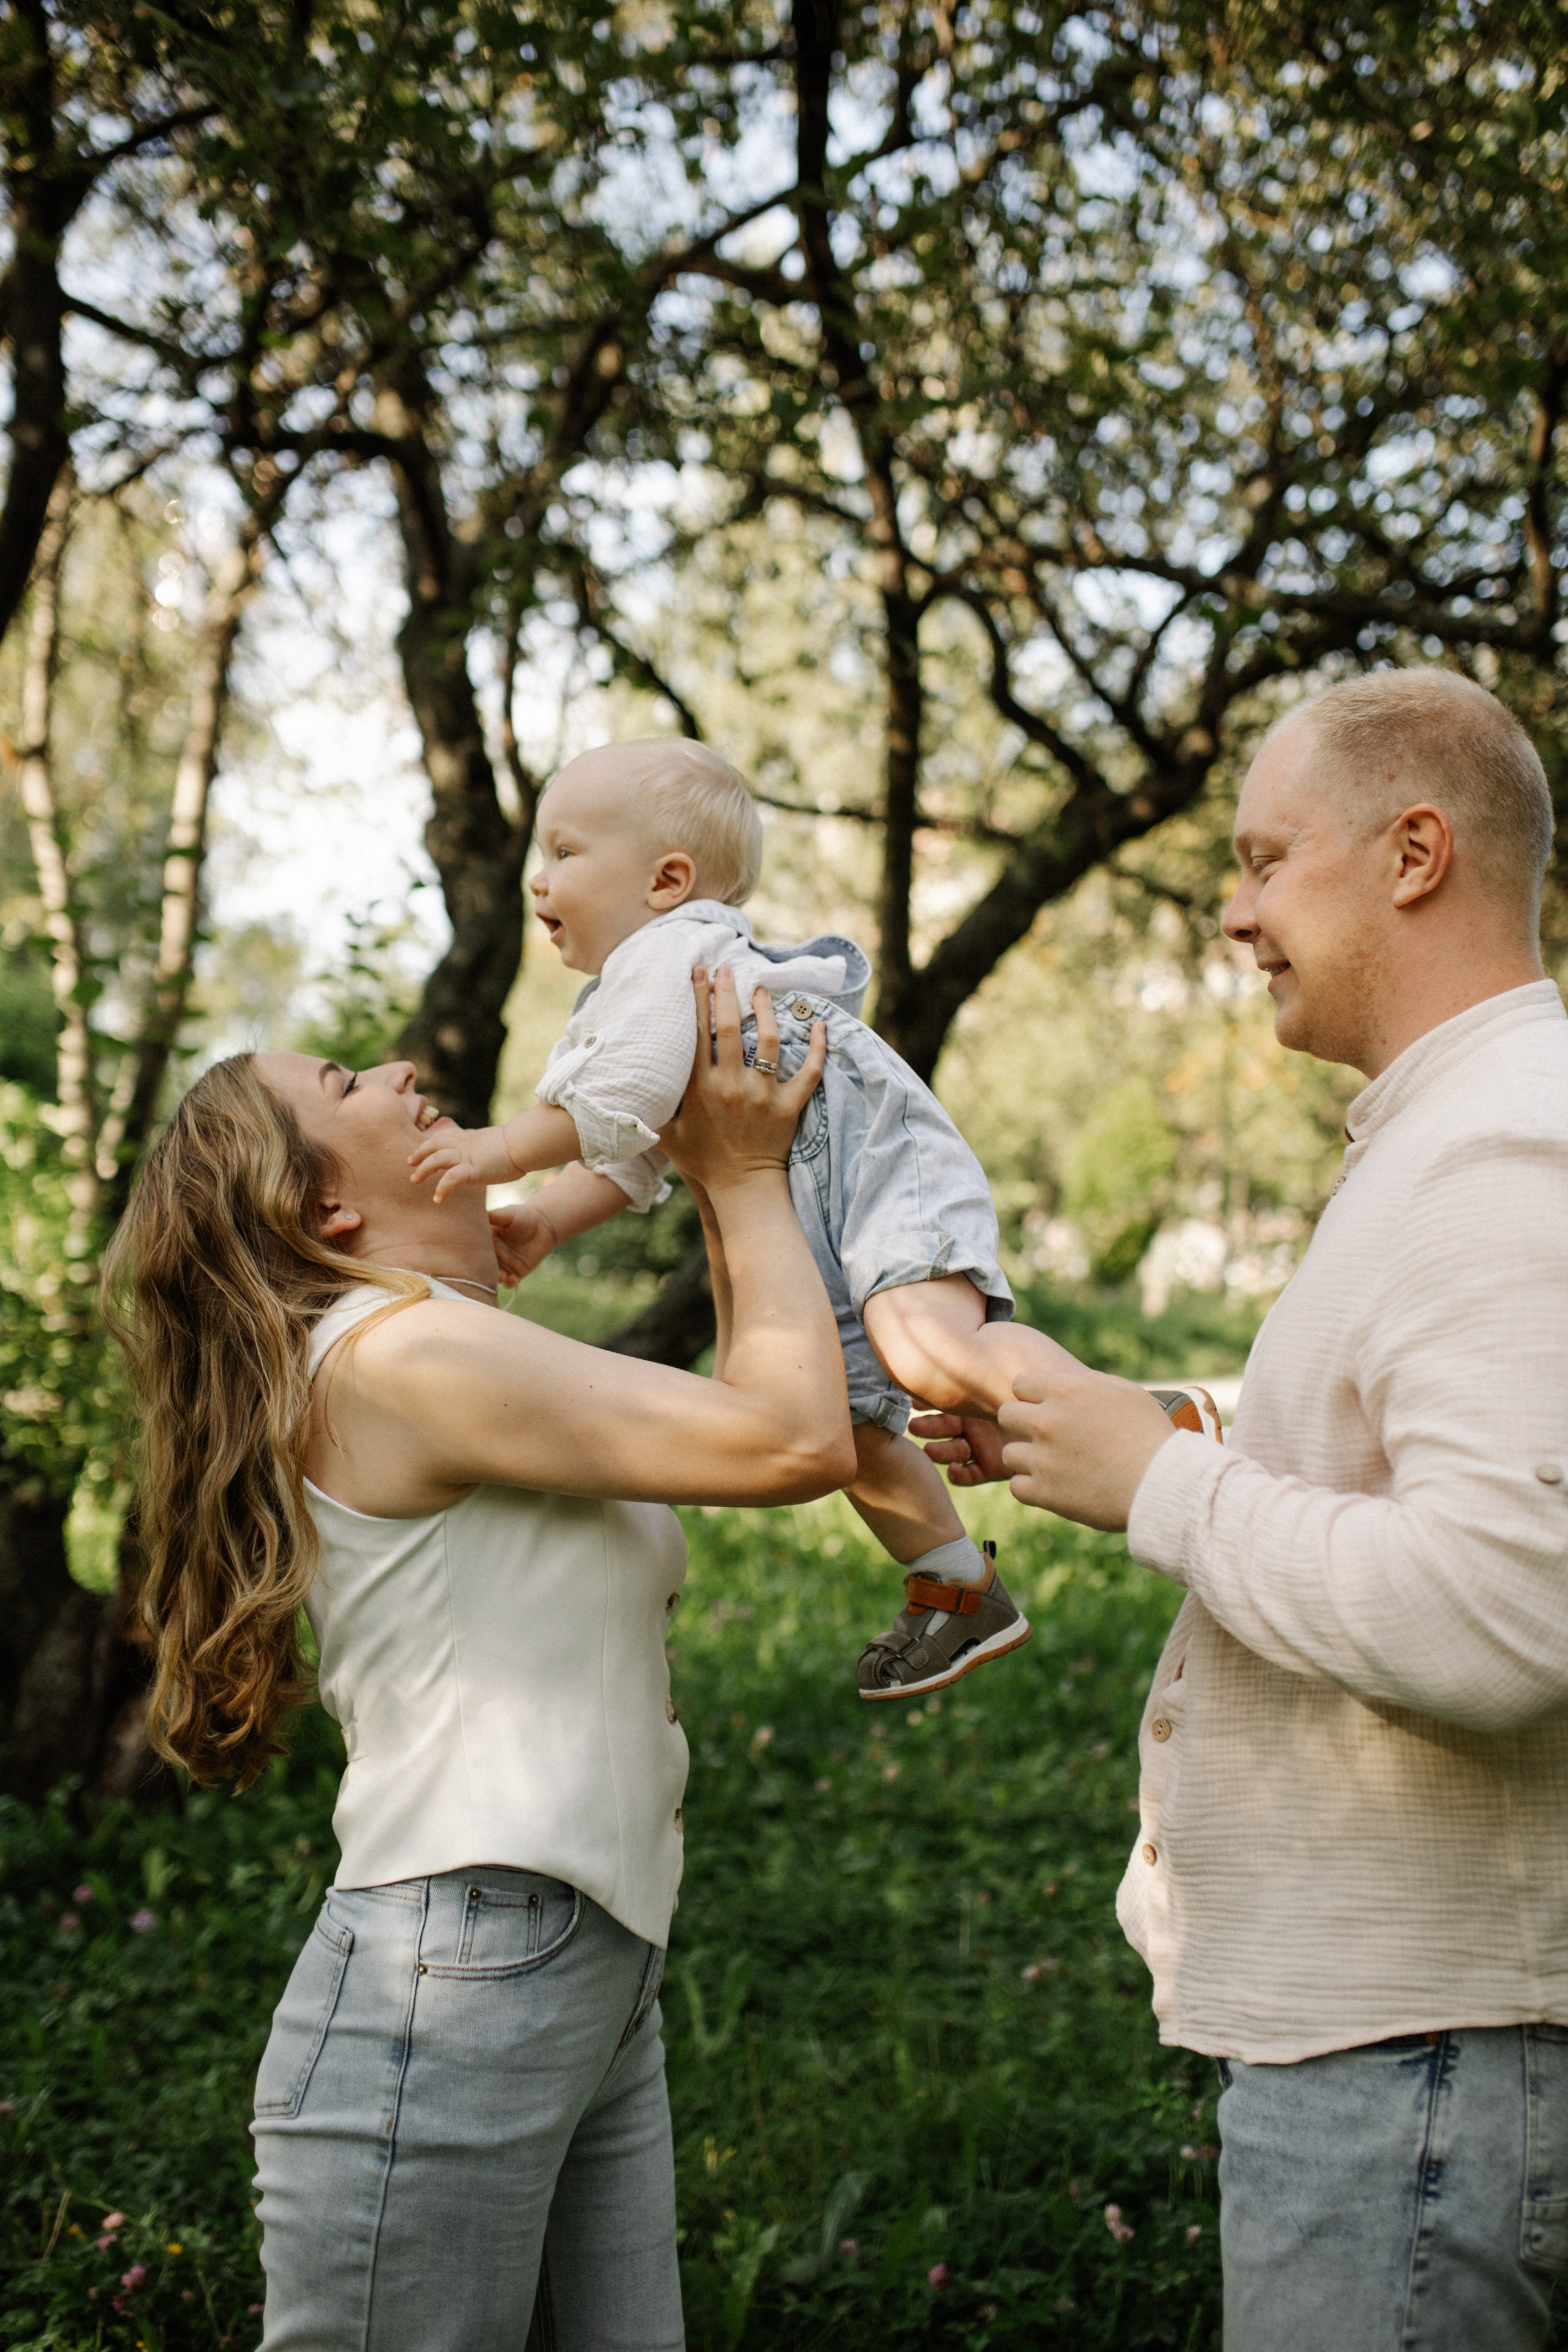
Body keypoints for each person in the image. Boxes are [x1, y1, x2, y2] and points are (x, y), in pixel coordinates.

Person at [919, 668, 1568, 2348]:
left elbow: (1501, 1613)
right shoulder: (1460, 1128)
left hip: (1425, 2065)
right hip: (1414, 2050)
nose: (1234, 913)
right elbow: (1407, 1436)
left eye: (1268, 860)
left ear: (1415, 851)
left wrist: (1163, 1484)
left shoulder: (1506, 1145)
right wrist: (1159, 1419)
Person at [103, 968, 856, 2352]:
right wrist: (739, 1178)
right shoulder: (397, 1360)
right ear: (318, 1207)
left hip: (569, 1963)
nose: (396, 1073)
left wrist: (652, 1171)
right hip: (454, 1984)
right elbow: (792, 1440)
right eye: (345, 1087)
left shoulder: (426, 1341)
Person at [407, 734, 1098, 1701]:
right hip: (804, 1195)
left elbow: (629, 1096)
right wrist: (555, 1217)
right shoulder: (650, 986)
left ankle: (1128, 1418)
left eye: (564, 853)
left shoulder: (671, 951)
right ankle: (958, 1587)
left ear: (668, 880)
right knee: (851, 1425)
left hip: (872, 1163)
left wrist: (502, 1152)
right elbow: (652, 1142)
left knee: (928, 1344)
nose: (538, 881)